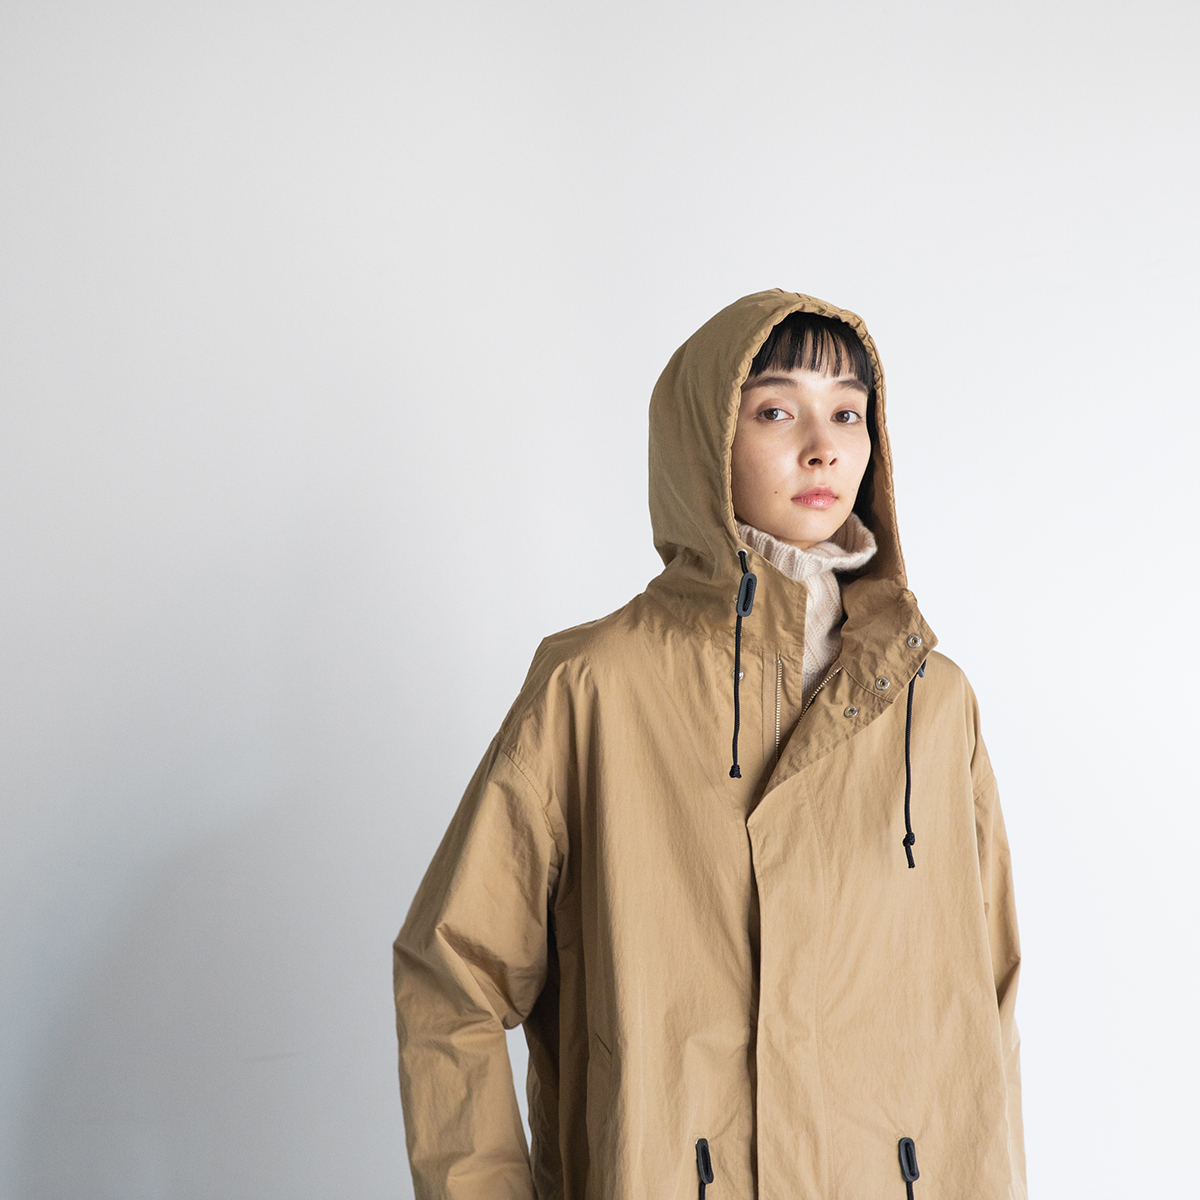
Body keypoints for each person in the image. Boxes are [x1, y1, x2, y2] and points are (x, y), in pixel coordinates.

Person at [393, 289, 1025, 1200]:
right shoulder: (594, 685)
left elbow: (988, 1004)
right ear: (705, 442)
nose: (823, 446)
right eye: (776, 411)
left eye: (848, 413)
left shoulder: (934, 700)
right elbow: (451, 976)